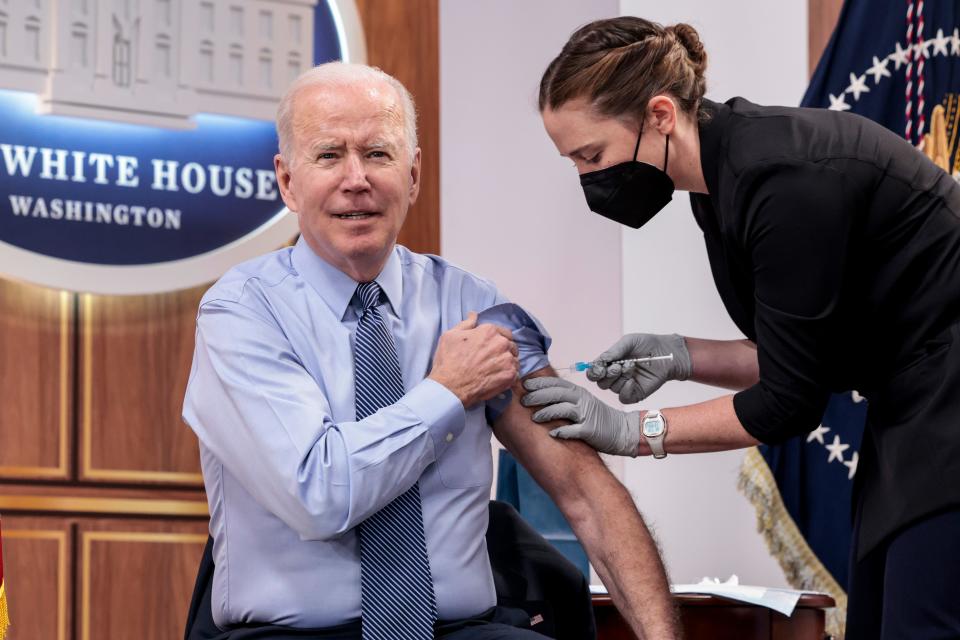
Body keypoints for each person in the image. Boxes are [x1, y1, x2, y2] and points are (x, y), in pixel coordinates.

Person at [182, 62, 679, 639]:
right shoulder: (241, 312)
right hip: (295, 633)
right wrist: (446, 392)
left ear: (413, 175)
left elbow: (585, 491)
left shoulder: (475, 306)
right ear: (287, 181)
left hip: (458, 630)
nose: (356, 179)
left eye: (378, 154)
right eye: (327, 156)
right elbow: (317, 492)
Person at [523, 16, 960, 640]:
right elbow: (797, 356)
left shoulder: (782, 180)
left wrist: (634, 431)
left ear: (661, 115)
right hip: (914, 402)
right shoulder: (722, 181)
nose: (588, 178)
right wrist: (681, 356)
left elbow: (788, 404)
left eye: (591, 155)